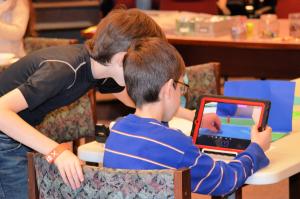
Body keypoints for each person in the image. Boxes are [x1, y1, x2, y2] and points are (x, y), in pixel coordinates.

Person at [0, 8, 196, 199]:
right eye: (141, 65)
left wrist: (193, 117)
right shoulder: (65, 69)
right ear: (122, 59)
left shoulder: (102, 70)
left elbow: (147, 101)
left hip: (13, 131)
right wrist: (57, 152)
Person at [103, 37, 272, 196]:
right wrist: (256, 148)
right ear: (170, 88)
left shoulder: (118, 131)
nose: (180, 94)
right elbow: (225, 179)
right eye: (181, 87)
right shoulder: (177, 144)